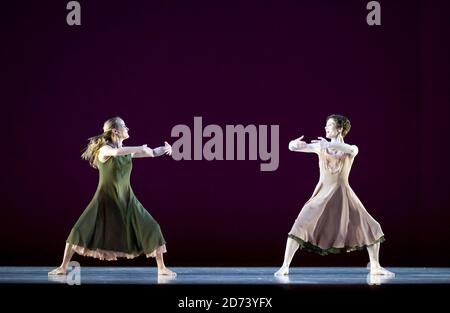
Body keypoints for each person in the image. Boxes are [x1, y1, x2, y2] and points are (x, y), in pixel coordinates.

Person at [48, 117, 176, 276]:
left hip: (127, 198)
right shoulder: (104, 150)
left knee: (152, 227)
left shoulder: (126, 152)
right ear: (115, 131)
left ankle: (162, 268)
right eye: (124, 126)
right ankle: (62, 267)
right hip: (105, 197)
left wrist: (165, 149)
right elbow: (116, 152)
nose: (128, 128)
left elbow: (151, 152)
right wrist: (137, 148)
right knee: (79, 230)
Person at [275, 114, 394, 277]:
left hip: (344, 195)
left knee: (372, 226)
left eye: (329, 125)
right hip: (322, 194)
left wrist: (331, 144)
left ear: (340, 129)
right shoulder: (321, 147)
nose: (325, 128)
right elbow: (292, 148)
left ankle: (375, 266)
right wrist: (293, 144)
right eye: (326, 125)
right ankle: (285, 266)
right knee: (300, 224)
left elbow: (351, 149)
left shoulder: (351, 149)